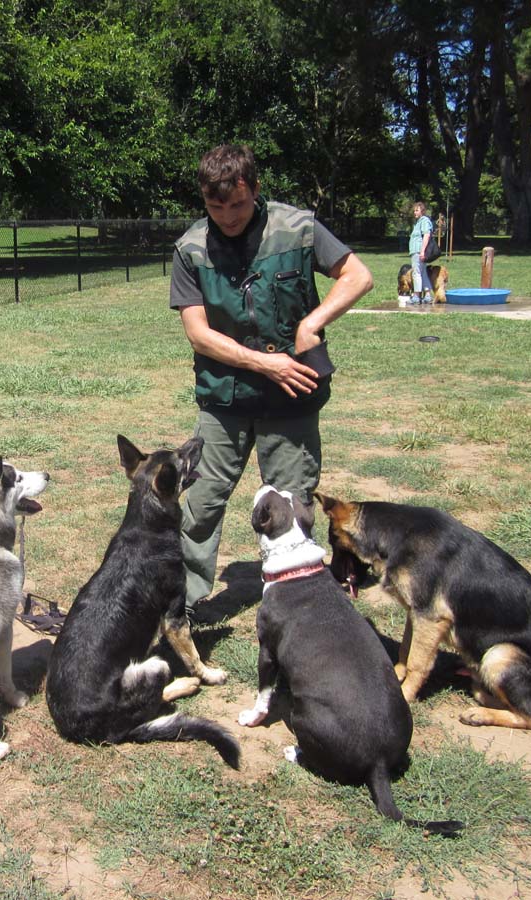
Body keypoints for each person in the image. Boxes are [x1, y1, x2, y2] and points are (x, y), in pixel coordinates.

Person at [169, 144, 374, 622]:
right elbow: (200, 335)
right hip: (225, 397)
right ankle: (179, 604)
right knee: (199, 504)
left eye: (237, 204)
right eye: (215, 207)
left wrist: (311, 324)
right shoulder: (191, 248)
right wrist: (267, 364)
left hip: (291, 397)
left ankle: (296, 607)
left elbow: (358, 276)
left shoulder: (297, 227)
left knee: (292, 507)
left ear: (255, 190)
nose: (227, 216)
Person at [408, 201, 435, 304]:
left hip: (418, 251)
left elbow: (427, 235)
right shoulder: (418, 222)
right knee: (422, 273)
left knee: (417, 273)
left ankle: (416, 296)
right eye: (414, 210)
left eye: (417, 210)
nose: (415, 212)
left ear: (422, 211)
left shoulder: (424, 220)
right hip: (416, 251)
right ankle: (427, 295)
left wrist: (422, 251)